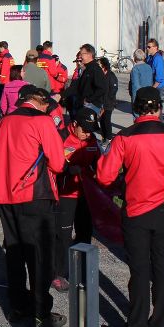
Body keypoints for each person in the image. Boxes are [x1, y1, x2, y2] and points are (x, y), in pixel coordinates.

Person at [96, 86, 164, 327]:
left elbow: (105, 176)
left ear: (135, 110)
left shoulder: (125, 138)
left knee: (140, 269)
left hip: (135, 211)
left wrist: (122, 179)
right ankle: (159, 324)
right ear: (159, 109)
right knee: (162, 266)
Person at [0, 85, 68, 327]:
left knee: (15, 250)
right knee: (39, 254)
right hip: (33, 193)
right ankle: (41, 311)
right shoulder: (42, 122)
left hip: (5, 194)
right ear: (40, 102)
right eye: (47, 104)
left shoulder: (5, 121)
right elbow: (58, 162)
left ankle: (18, 305)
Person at [52, 108, 101, 292]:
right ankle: (58, 273)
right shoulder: (61, 137)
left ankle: (83, 270)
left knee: (84, 232)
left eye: (91, 129)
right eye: (85, 129)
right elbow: (51, 163)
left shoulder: (92, 140)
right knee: (62, 236)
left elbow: (98, 161)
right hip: (65, 194)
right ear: (74, 124)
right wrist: (67, 169)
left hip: (85, 193)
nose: (88, 133)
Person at [74, 44, 106, 115]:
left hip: (91, 105)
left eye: (82, 54)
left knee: (86, 126)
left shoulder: (95, 69)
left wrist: (88, 100)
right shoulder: (87, 69)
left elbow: (102, 88)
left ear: (89, 54)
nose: (80, 56)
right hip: (86, 104)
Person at [98, 57, 118, 140]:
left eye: (99, 64)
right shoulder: (100, 75)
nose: (97, 65)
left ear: (103, 65)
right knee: (101, 121)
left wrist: (106, 102)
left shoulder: (111, 75)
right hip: (101, 102)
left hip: (108, 103)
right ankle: (104, 137)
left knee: (106, 120)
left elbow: (114, 89)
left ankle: (109, 138)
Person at [128, 49, 152, 117]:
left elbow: (135, 85)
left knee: (137, 116)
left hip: (139, 96)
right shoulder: (149, 67)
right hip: (148, 95)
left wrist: (134, 100)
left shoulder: (135, 69)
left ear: (135, 57)